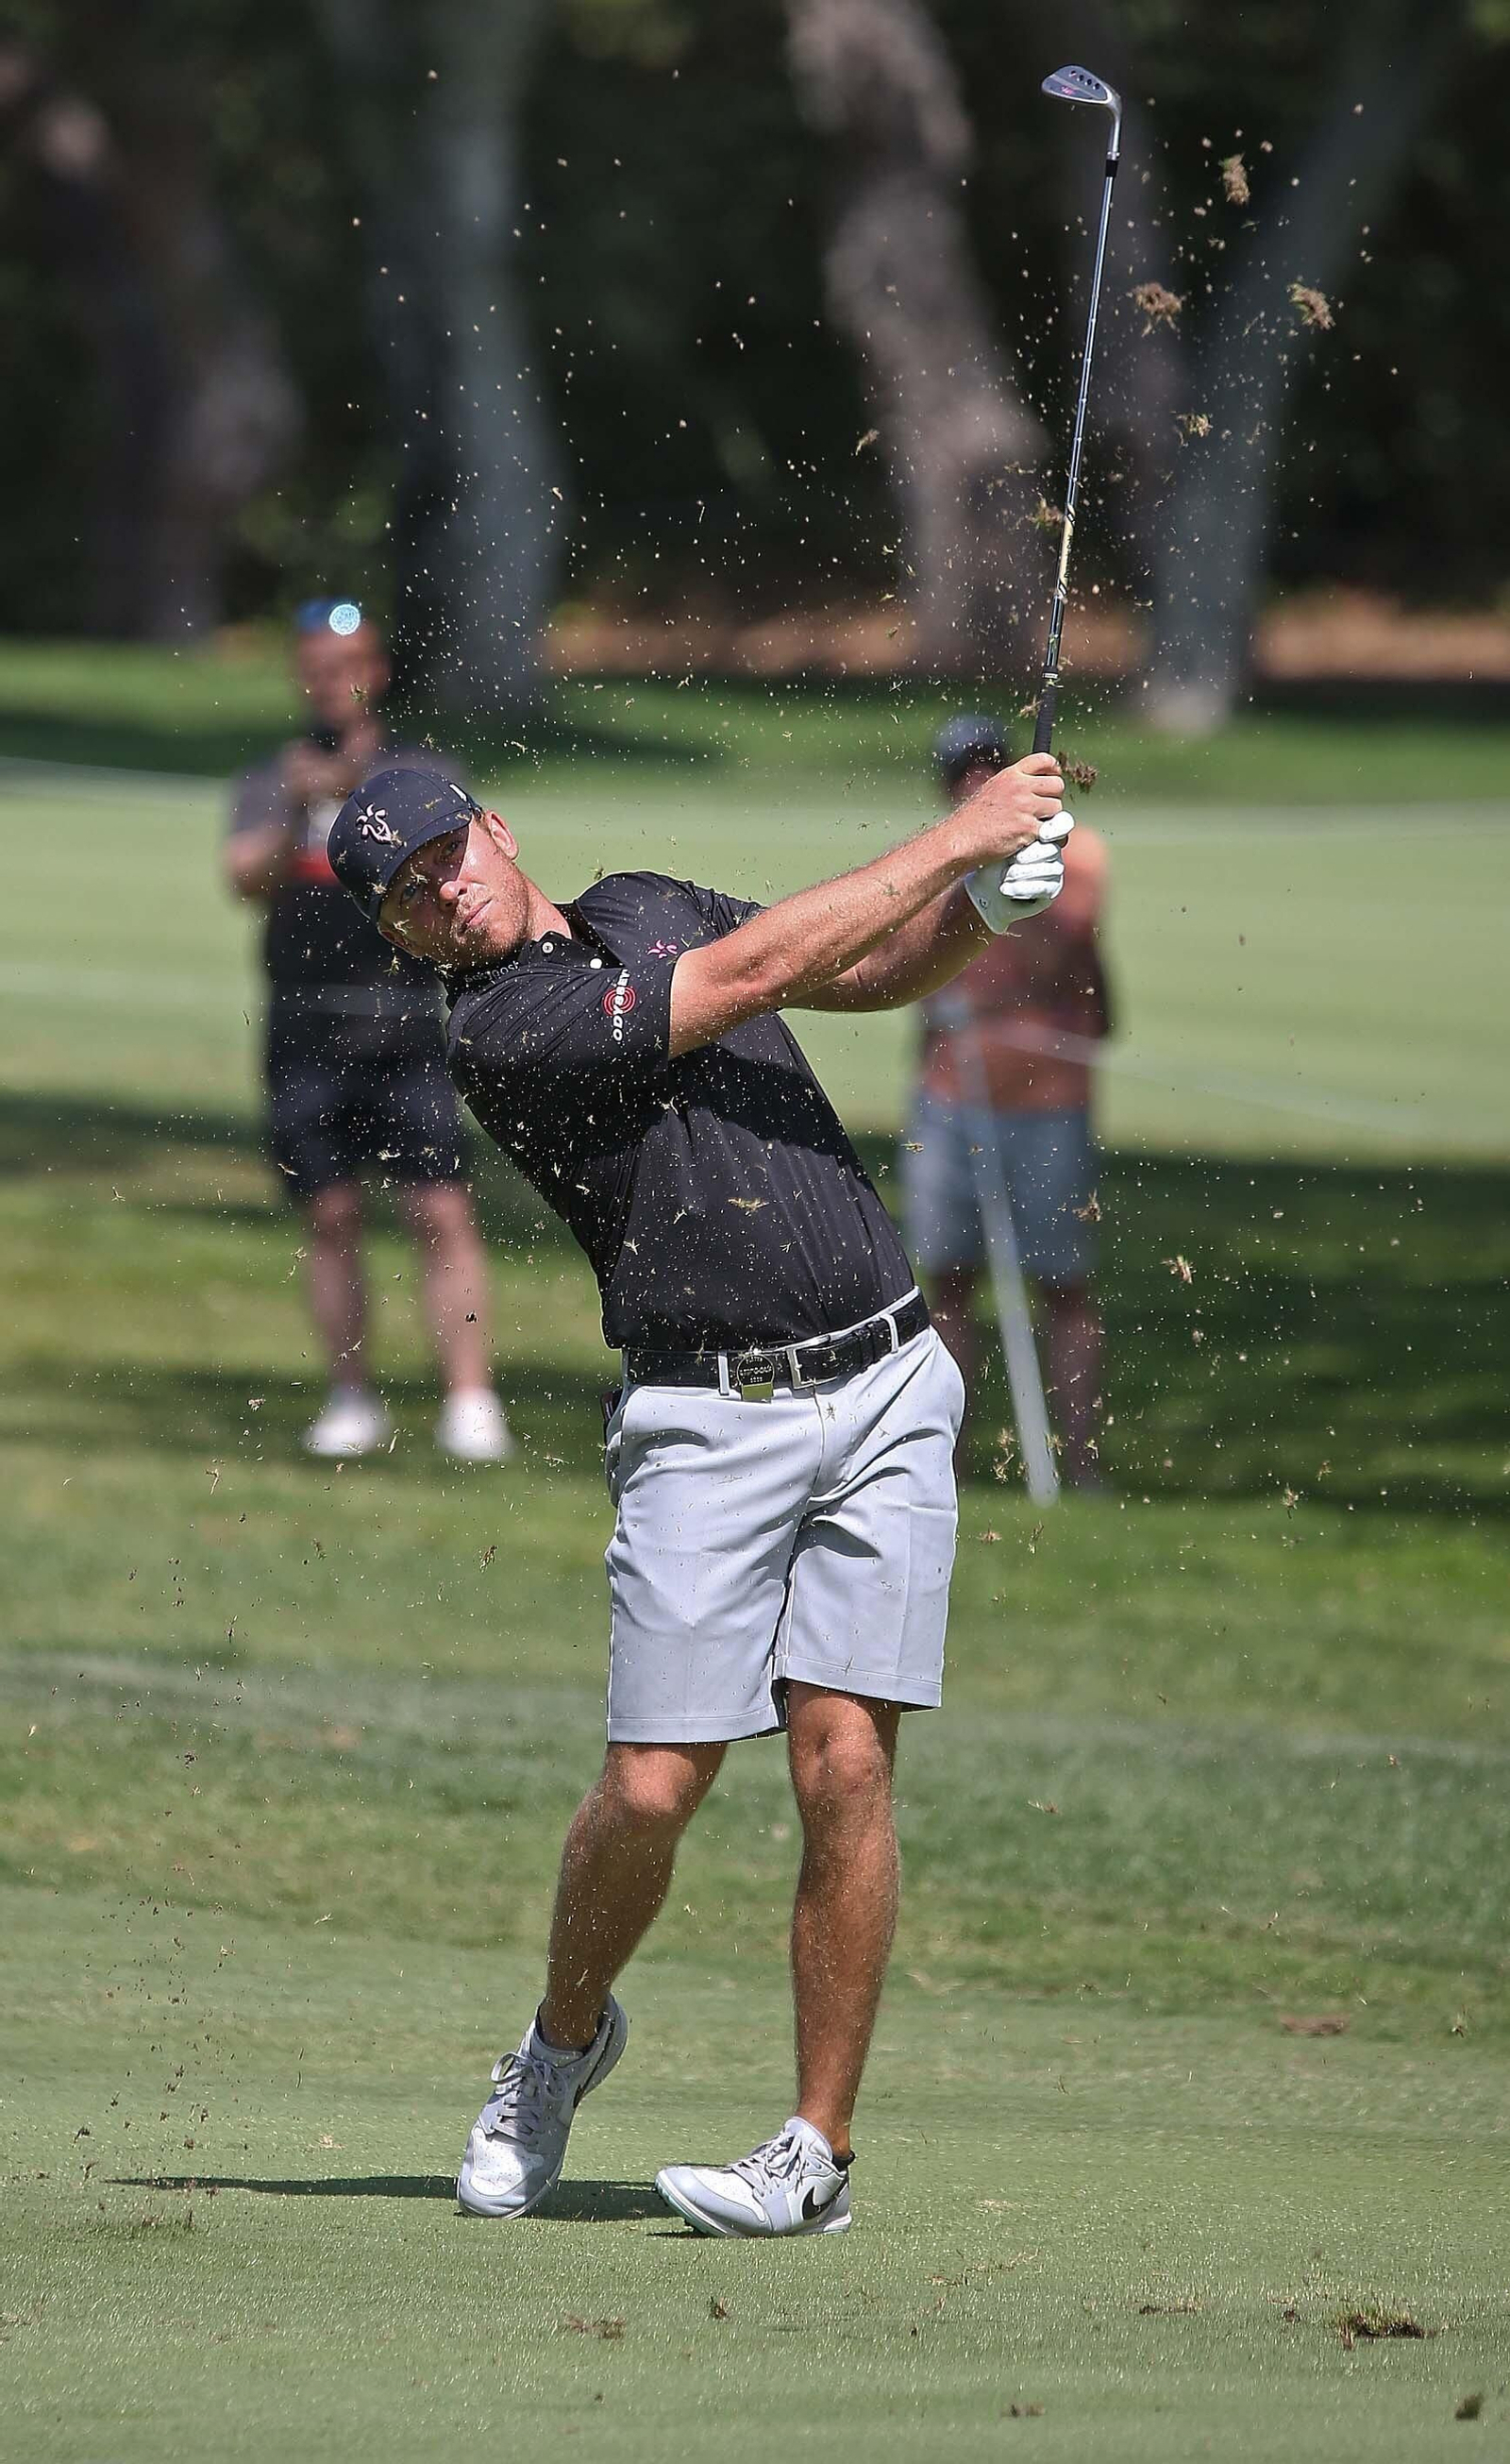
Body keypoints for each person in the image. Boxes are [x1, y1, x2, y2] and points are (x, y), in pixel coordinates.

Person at [326, 751, 1072, 2238]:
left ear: (495, 829)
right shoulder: (505, 1031)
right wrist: (958, 833)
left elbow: (844, 973)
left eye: (445, 853)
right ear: (401, 935)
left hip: (884, 1381)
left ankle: (816, 2153)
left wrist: (981, 907)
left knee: (846, 1762)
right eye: (407, 894)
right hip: (703, 1419)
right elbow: (745, 975)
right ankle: (560, 2041)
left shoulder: (643, 902)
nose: (443, 892)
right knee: (656, 1785)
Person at [224, 600, 512, 1462]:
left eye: (346, 662)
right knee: (332, 1213)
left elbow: (472, 875)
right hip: (305, 1022)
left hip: (406, 1020)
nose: (330, 681)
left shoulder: (420, 772)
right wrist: (298, 810)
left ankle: (469, 1400)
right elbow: (241, 878)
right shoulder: (274, 775)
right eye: (314, 664)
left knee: (441, 1208)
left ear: (375, 671)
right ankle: (350, 1396)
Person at [901, 717, 1110, 1488]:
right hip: (950, 1098)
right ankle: (943, 1466)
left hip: (1046, 1103)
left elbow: (1051, 954)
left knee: (1064, 1285)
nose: (976, 783)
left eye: (990, 768)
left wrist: (1009, 859)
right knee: (947, 1283)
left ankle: (1080, 1462)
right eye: (964, 773)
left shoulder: (1073, 853)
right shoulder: (939, 857)